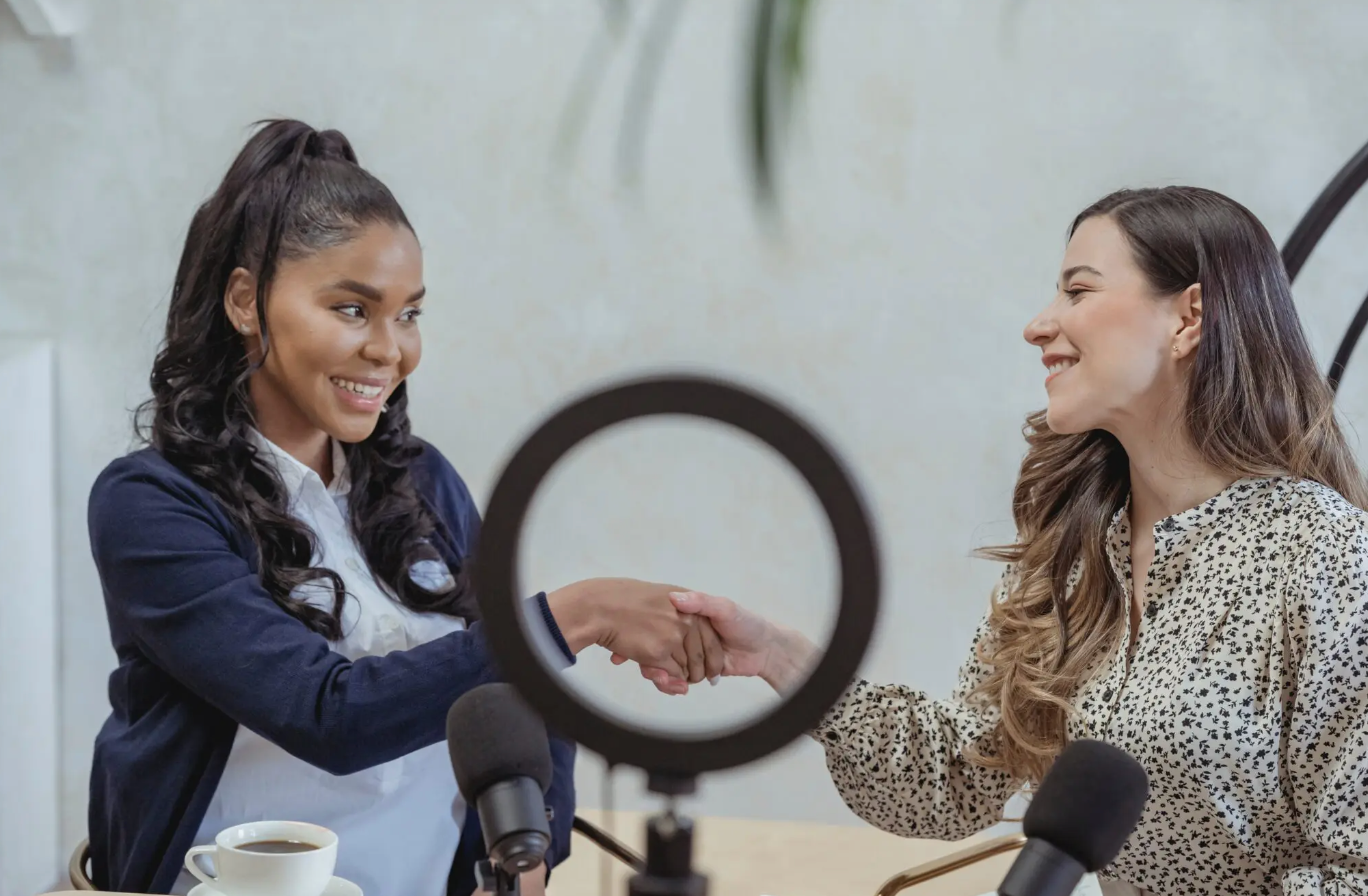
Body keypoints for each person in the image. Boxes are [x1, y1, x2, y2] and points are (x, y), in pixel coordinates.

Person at [628, 187, 1368, 895]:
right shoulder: (1078, 557)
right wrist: (780, 658)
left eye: (1078, 291)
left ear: (1188, 317)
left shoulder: (1326, 559)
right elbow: (952, 782)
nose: (1038, 326)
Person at [86, 119, 722, 896]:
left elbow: (524, 698)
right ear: (246, 301)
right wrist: (577, 614)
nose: (390, 349)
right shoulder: (150, 505)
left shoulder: (421, 481)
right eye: (352, 309)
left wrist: (529, 860)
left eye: (409, 313)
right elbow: (327, 716)